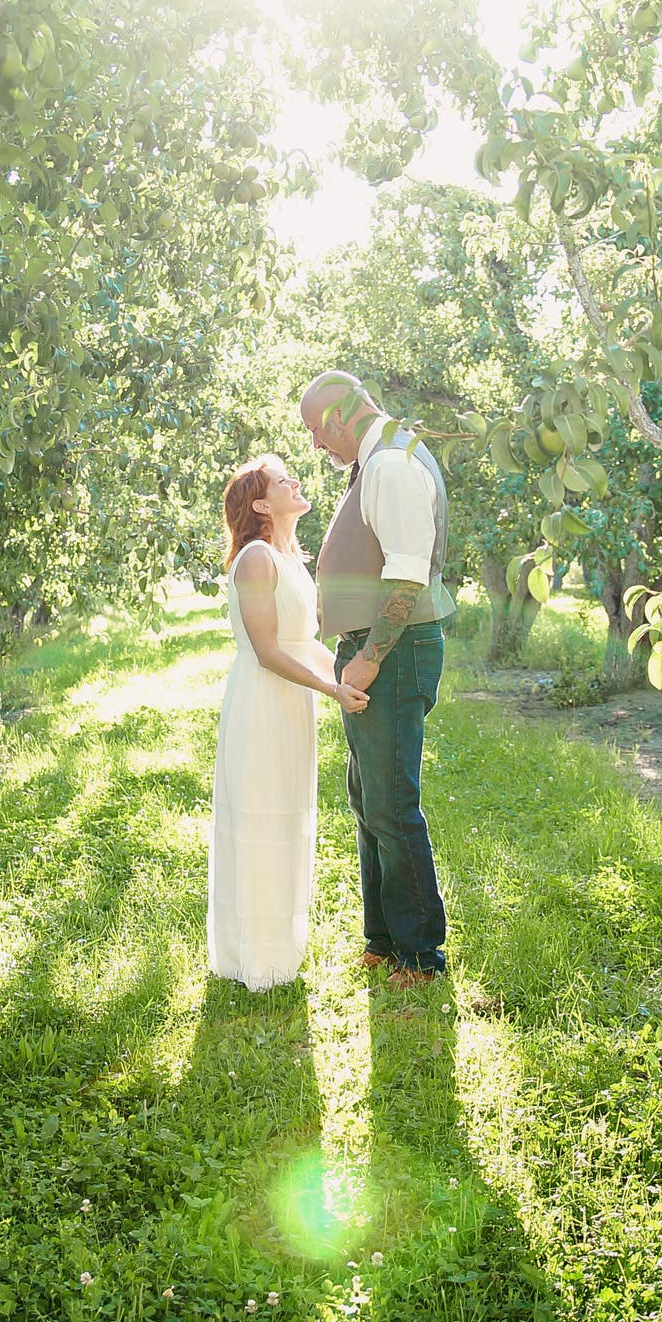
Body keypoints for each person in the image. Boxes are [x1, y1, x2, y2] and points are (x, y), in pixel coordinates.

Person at [299, 368, 454, 987]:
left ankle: (421, 956)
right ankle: (384, 940)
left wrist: (367, 659)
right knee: (368, 800)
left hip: (390, 653)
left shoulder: (390, 465)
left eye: (316, 431)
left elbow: (408, 575)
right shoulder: (375, 458)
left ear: (340, 416)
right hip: (370, 650)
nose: (315, 446)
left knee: (392, 803)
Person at [210, 453, 370, 991]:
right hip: (262, 701)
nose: (295, 481)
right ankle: (256, 960)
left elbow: (305, 644)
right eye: (282, 481)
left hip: (290, 700)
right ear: (260, 504)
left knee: (284, 817)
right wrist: (330, 688)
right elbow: (266, 650)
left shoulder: (287, 557)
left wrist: (348, 676)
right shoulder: (256, 558)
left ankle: (277, 951)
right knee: (261, 819)